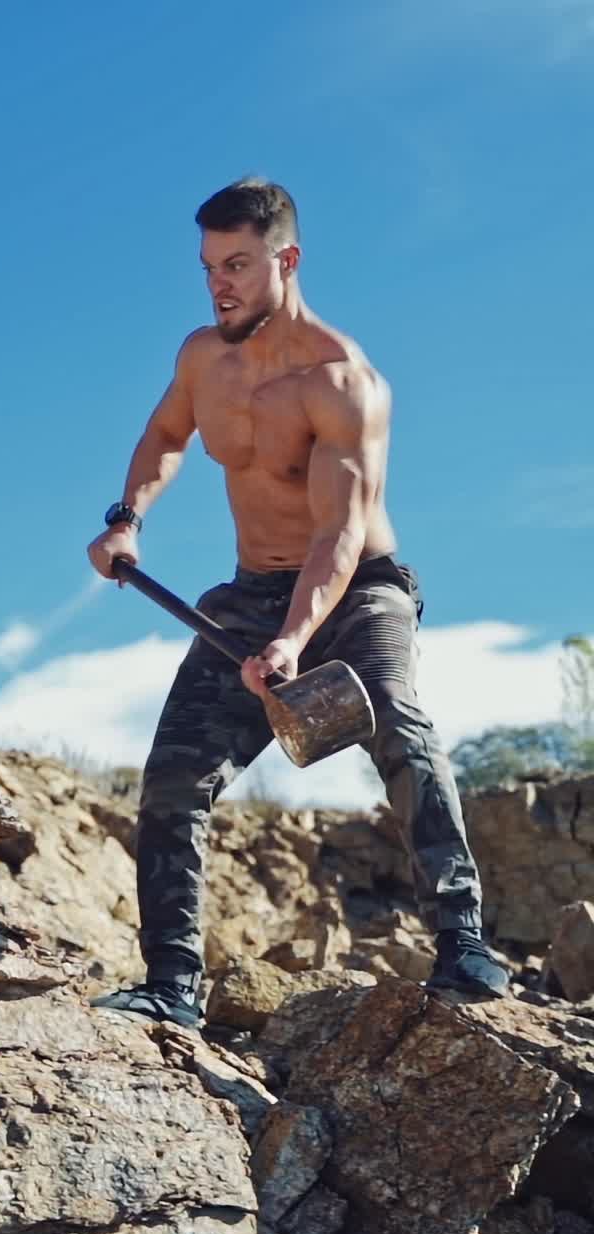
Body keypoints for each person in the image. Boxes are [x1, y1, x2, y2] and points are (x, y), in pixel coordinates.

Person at [86, 178, 509, 1028]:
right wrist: (127, 518)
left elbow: (338, 538)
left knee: (396, 718)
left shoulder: (341, 381)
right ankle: (172, 987)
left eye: (238, 264)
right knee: (175, 775)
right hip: (249, 593)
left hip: (356, 590)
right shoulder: (205, 358)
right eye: (209, 267)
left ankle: (462, 943)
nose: (220, 285)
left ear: (287, 259)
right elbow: (166, 435)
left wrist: (291, 642)